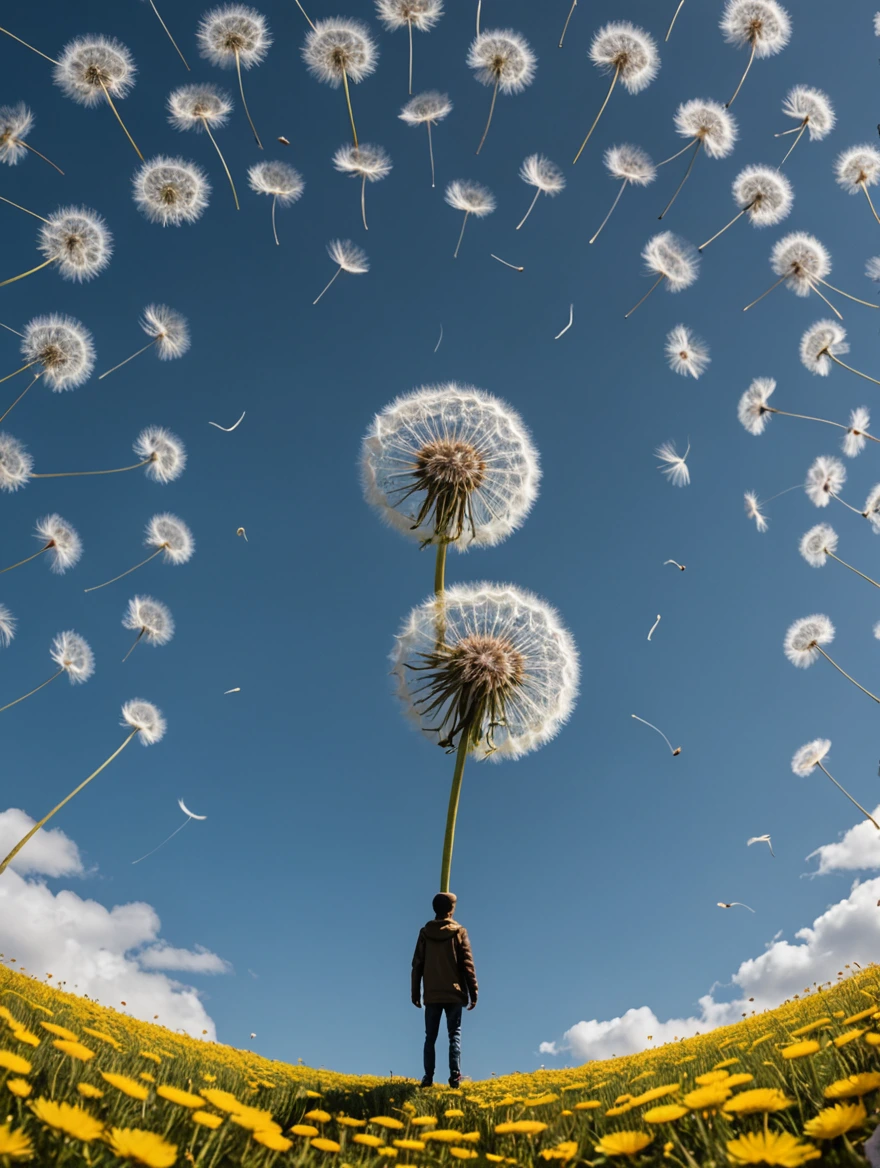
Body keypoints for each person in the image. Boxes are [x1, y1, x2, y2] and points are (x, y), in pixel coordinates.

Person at [411, 892, 478, 1088]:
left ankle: (428, 1078)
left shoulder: (425, 933)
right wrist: (473, 992)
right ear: (451, 910)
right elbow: (468, 965)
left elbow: (417, 964)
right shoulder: (459, 932)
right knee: (454, 1035)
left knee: (430, 1037)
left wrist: (415, 992)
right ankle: (455, 1076)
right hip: (454, 993)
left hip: (432, 993)